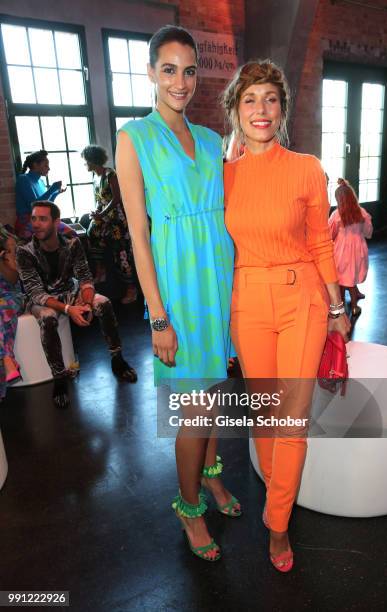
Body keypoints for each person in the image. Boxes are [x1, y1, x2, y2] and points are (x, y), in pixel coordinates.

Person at [116, 25, 240, 562]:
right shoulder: (134, 139)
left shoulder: (213, 142)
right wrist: (158, 317)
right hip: (179, 293)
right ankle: (188, 508)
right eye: (169, 69)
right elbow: (139, 237)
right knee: (195, 412)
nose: (181, 81)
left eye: (189, 70)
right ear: (150, 72)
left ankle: (211, 478)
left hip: (219, 283)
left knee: (214, 401)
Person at [222, 60, 350, 571]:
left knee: (290, 422)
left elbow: (321, 243)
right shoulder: (223, 177)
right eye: (250, 99)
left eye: (270, 99)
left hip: (303, 300)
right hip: (247, 299)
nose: (261, 109)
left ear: (283, 109)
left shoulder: (305, 167)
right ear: (235, 109)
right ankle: (280, 493)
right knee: (266, 417)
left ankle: (277, 526)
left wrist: (338, 308)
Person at [16, 201, 137, 409]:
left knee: (104, 303)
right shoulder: (24, 251)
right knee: (47, 318)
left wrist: (87, 302)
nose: (36, 224)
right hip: (39, 300)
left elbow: (85, 278)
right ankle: (59, 377)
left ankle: (117, 359)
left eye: (42, 219)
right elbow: (36, 293)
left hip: (69, 293)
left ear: (56, 222)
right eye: (33, 219)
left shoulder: (73, 244)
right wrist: (68, 310)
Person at [81, 145, 138, 304]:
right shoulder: (95, 177)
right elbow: (101, 200)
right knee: (91, 232)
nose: (85, 164)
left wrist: (102, 214)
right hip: (105, 218)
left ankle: (131, 290)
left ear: (93, 160)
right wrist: (96, 213)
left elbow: (116, 198)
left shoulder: (110, 174)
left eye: (86, 161)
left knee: (121, 255)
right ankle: (101, 269)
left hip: (117, 221)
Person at [329, 178, 373, 316]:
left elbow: (331, 233)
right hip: (358, 249)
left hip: (341, 250)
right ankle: (354, 307)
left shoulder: (337, 214)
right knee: (352, 279)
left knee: (341, 279)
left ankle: (341, 307)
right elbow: (368, 232)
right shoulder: (362, 212)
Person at [15, 150, 74, 240]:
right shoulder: (23, 179)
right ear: (35, 165)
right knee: (68, 236)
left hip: (43, 219)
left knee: (71, 234)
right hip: (28, 222)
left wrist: (56, 192)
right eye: (46, 165)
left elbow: (46, 204)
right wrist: (52, 189)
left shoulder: (40, 182)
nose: (49, 168)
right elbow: (34, 206)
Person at [0, 226, 24, 398]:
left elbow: (14, 278)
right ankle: (7, 359)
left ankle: (7, 358)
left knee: (2, 309)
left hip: (10, 295)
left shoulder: (8, 242)